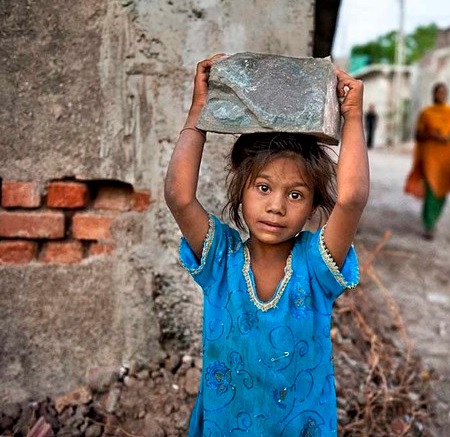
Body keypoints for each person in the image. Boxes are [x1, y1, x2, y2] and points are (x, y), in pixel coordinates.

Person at [164, 54, 369, 436]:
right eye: (263, 188)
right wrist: (199, 110)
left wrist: (353, 116)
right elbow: (178, 195)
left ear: (311, 206)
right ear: (241, 191)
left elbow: (353, 198)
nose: (276, 205)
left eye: (295, 194)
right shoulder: (220, 262)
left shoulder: (317, 267)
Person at [404, 83, 450, 240]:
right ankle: (429, 224)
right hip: (429, 156)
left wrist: (448, 138)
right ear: (433, 94)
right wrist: (432, 136)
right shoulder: (426, 113)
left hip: (447, 157)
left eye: (444, 92)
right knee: (431, 188)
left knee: (442, 189)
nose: (441, 95)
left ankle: (434, 217)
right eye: (438, 92)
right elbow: (418, 135)